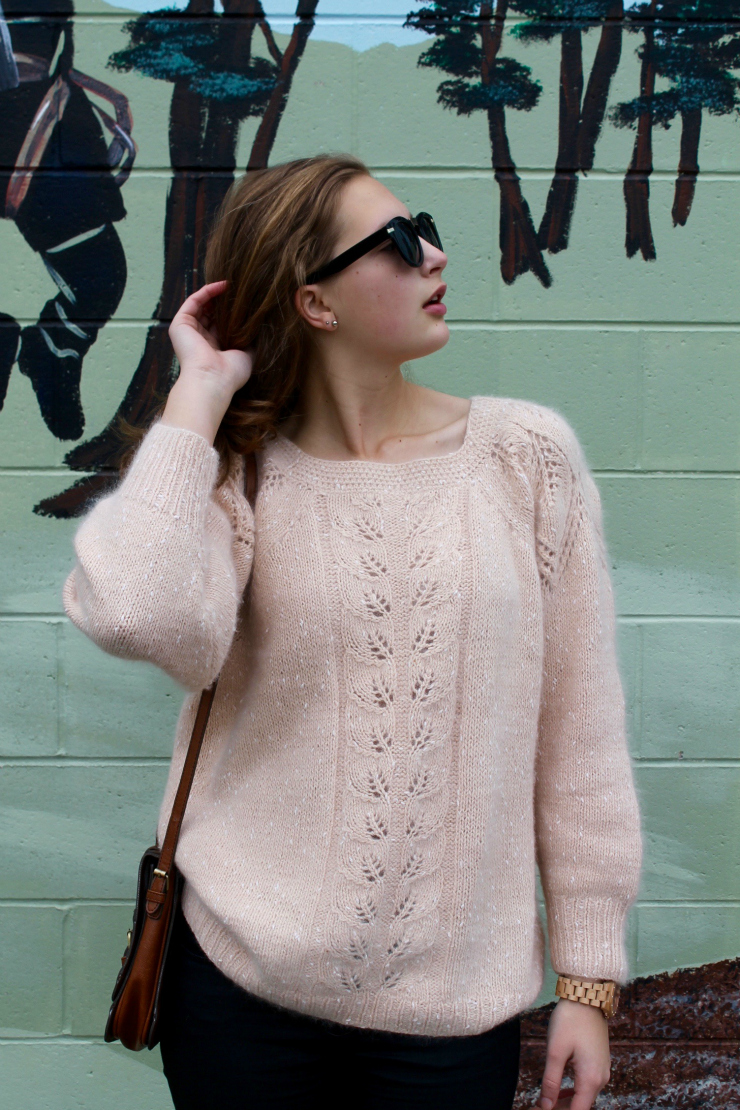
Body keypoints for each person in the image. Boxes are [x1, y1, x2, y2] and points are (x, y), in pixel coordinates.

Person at [62, 154, 643, 1110]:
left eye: (425, 225)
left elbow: (579, 733)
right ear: (316, 304)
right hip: (241, 993)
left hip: (454, 1011)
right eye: (399, 243)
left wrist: (587, 982)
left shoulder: (525, 458)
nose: (436, 256)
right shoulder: (238, 476)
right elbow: (136, 612)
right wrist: (197, 397)